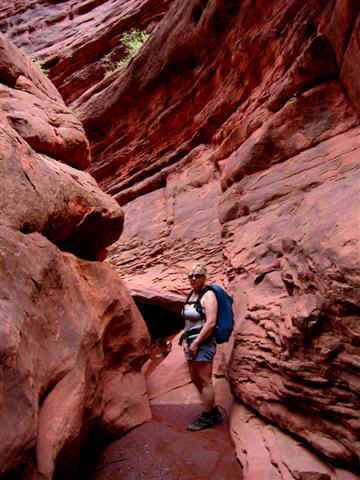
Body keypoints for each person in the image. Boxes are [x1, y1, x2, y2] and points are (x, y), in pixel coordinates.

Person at [180, 262, 223, 431]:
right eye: (190, 275)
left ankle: (207, 417)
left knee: (204, 380)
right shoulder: (191, 295)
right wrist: (185, 340)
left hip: (203, 343)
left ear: (204, 277)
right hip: (190, 342)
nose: (193, 278)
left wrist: (197, 342)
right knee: (194, 378)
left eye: (197, 275)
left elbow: (211, 322)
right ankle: (212, 411)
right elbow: (187, 321)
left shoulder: (209, 295)